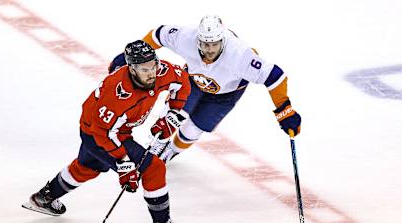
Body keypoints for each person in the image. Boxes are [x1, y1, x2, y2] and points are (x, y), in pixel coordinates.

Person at [22, 40, 194, 223]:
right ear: (131, 68)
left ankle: (44, 198)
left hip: (108, 130)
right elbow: (102, 133)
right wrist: (124, 164)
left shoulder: (162, 71)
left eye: (153, 66)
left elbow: (182, 82)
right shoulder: (117, 92)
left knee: (88, 168)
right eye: (144, 69)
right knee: (153, 168)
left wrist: (172, 114)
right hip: (98, 134)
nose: (151, 73)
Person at [109, 15, 302, 162]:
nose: (209, 49)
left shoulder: (240, 55)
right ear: (198, 39)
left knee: (194, 129)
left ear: (223, 41)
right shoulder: (186, 37)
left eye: (215, 44)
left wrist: (284, 109)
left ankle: (169, 154)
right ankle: (153, 148)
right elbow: (158, 34)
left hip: (226, 94)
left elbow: (275, 76)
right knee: (172, 115)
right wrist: (128, 58)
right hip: (192, 81)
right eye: (205, 44)